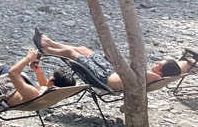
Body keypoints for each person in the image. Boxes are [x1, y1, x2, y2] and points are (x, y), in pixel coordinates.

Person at [33, 29, 189, 92]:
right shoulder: (155, 75)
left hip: (102, 79)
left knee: (71, 53)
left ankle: (46, 49)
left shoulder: (154, 77)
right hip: (109, 71)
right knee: (83, 49)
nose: (155, 64)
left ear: (161, 71)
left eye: (158, 64)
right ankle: (50, 43)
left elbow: (177, 69)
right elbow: (180, 67)